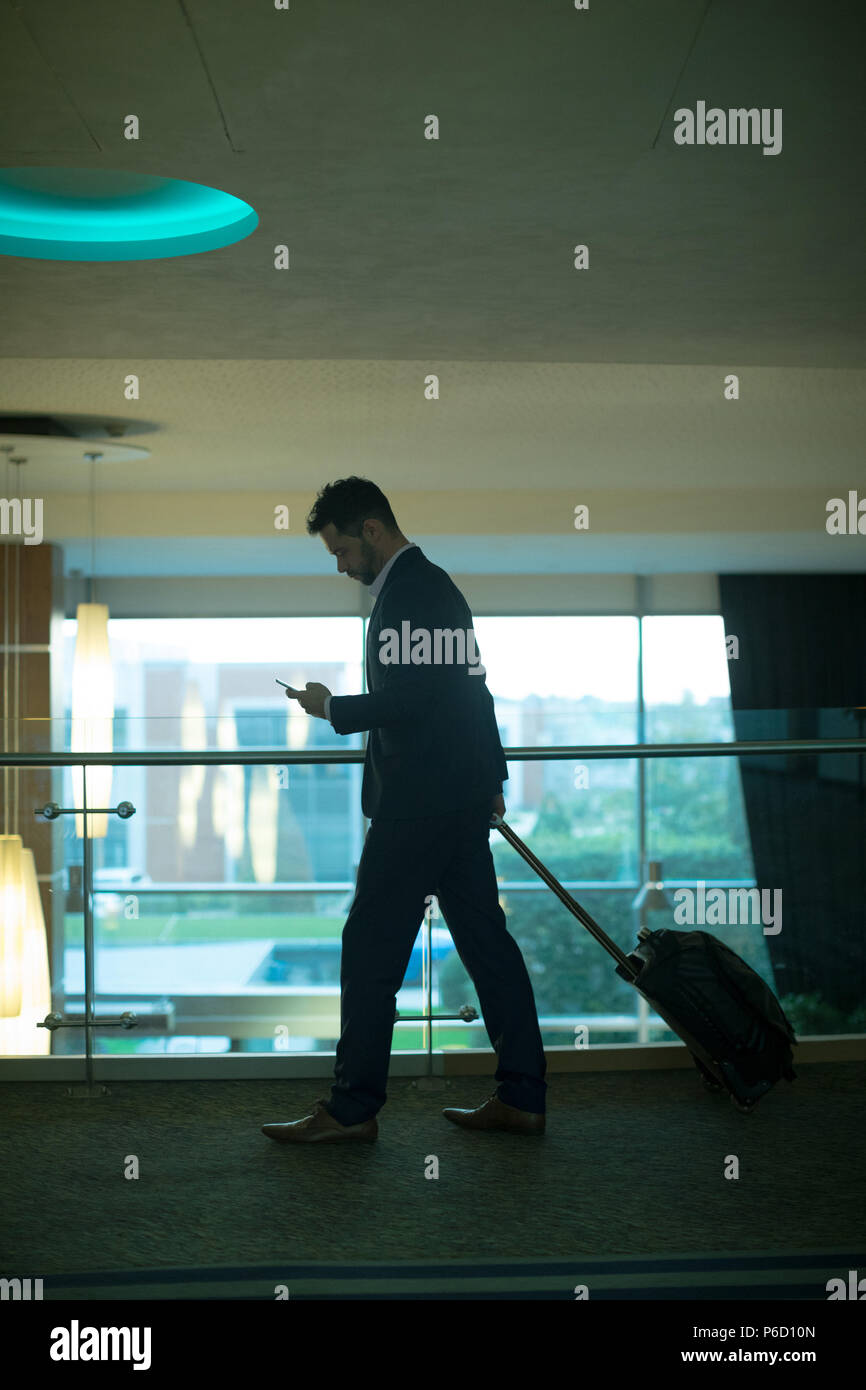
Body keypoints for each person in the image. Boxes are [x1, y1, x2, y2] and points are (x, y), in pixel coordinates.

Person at [261, 476, 547, 1144]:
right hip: (453, 801)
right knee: (487, 949)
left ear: (371, 529)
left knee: (368, 952)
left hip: (418, 807)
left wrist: (333, 706)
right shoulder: (431, 586)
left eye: (340, 551)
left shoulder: (413, 593)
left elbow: (419, 699)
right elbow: (473, 691)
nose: (339, 566)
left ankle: (353, 1109)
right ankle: (522, 1096)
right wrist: (492, 777)